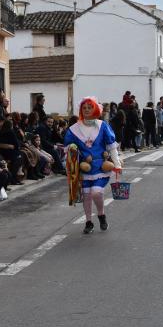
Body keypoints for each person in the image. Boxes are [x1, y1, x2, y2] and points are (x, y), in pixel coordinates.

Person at [64, 97, 122, 234]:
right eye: (84, 108)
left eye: (90, 107)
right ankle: (88, 222)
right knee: (86, 194)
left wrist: (117, 164)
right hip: (84, 167)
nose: (87, 110)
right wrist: (72, 164)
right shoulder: (74, 129)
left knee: (96, 192)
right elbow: (69, 150)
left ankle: (101, 215)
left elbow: (111, 146)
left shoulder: (102, 125)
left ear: (95, 109)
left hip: (101, 166)